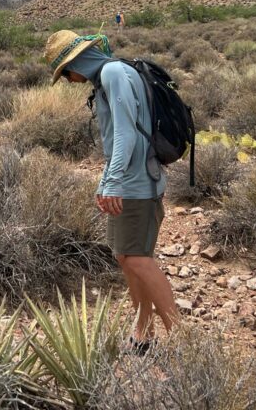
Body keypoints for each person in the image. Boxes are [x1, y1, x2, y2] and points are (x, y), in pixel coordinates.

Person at [44, 29, 180, 351]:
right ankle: (143, 333)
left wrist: (113, 181)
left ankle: (183, 338)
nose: (67, 80)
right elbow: (120, 137)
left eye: (64, 72)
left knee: (137, 260)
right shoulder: (109, 76)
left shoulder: (112, 73)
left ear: (75, 61)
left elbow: (126, 136)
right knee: (127, 256)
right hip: (130, 182)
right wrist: (106, 181)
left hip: (138, 185)